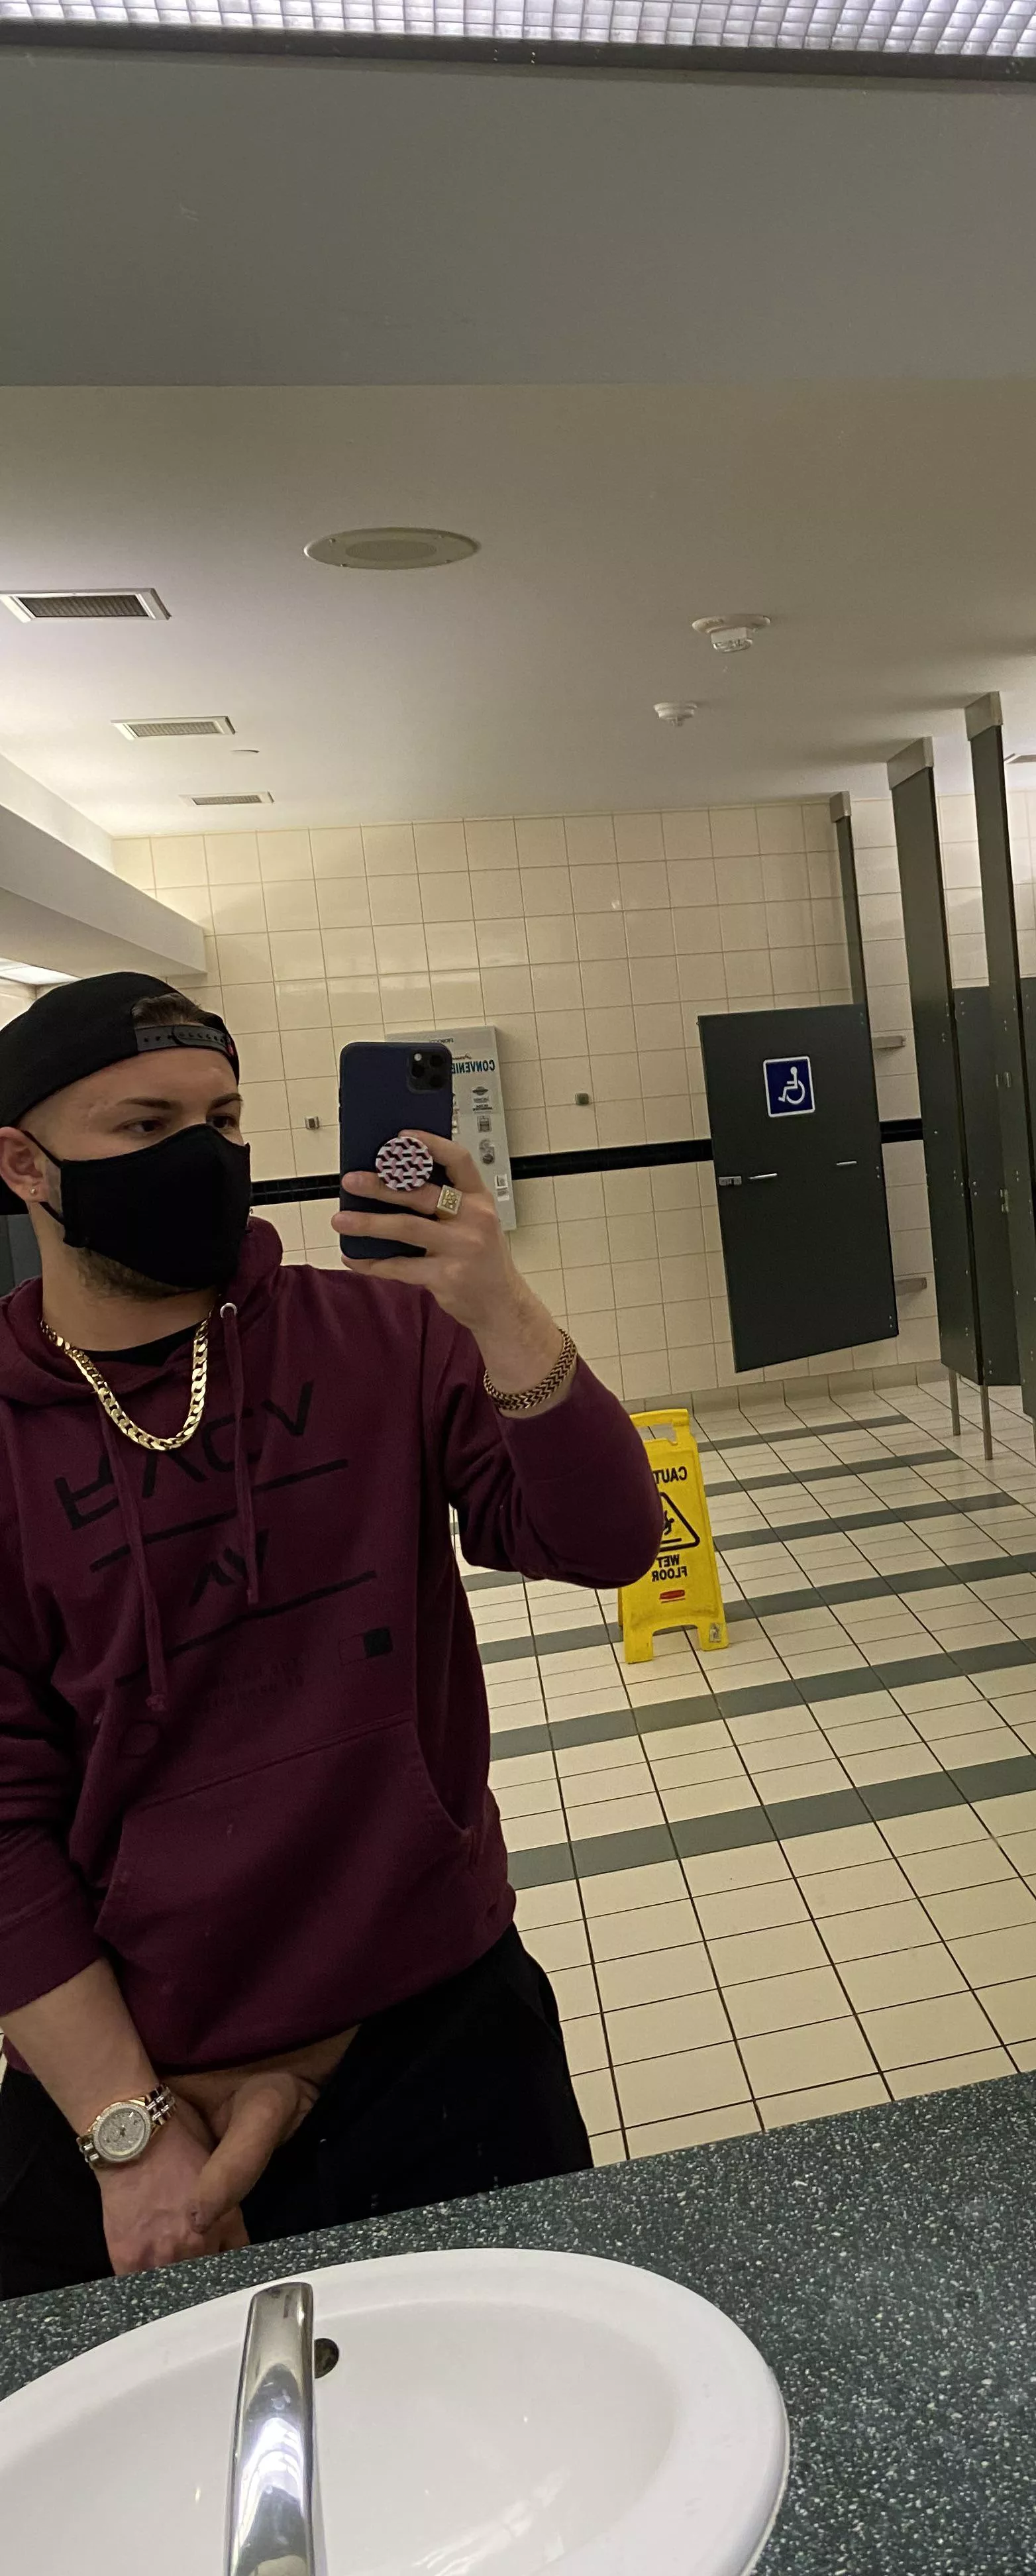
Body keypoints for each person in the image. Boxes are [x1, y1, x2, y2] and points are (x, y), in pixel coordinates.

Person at [0, 973, 662, 2296]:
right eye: (142, 1127)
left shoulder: (379, 1336)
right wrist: (129, 2138)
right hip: (147, 2090)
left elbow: (605, 1543)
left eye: (224, 1114)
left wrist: (499, 1306)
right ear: (23, 1163)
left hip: (445, 2028)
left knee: (528, 2433)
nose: (202, 1154)